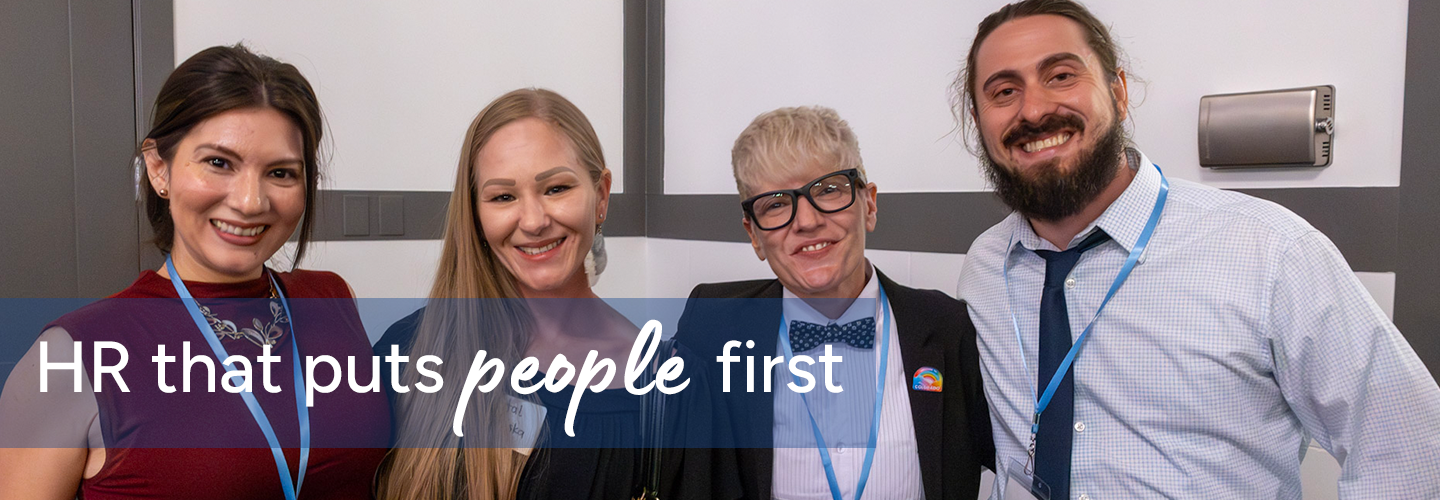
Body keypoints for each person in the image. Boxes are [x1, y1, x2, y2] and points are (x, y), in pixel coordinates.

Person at [952, 1, 1440, 498]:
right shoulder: (986, 267)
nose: (1033, 110)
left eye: (1060, 75)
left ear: (1118, 93)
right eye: (1004, 91)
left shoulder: (1272, 253)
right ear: (978, 120)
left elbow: (1408, 449)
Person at [0, 45, 390, 499]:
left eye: (281, 173)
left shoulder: (333, 299)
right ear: (159, 168)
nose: (250, 201)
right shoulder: (72, 355)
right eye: (218, 163)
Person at [373, 88, 726, 500]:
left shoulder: (675, 391)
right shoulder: (412, 352)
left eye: (556, 188)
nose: (535, 221)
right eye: (503, 196)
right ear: (476, 213)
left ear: (601, 196)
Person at [675, 106, 994, 500]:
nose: (806, 221)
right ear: (754, 235)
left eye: (828, 189)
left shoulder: (948, 327)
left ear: (870, 204)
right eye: (775, 204)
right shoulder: (711, 327)